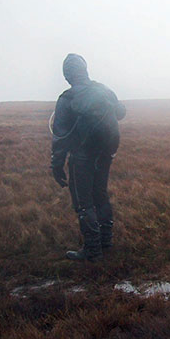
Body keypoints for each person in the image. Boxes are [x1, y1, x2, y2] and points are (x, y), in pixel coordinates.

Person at [50, 53, 126, 261]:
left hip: (82, 155)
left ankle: (92, 250)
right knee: (100, 194)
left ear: (67, 75)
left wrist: (56, 166)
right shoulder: (103, 89)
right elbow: (121, 113)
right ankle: (105, 240)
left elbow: (60, 137)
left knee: (84, 202)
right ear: (85, 69)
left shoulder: (67, 99)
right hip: (106, 152)